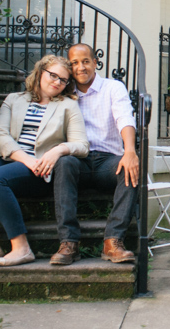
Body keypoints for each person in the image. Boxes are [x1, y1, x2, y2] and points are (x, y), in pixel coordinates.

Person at [0, 55, 89, 267]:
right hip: (13, 158)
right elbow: (0, 134)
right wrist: (25, 159)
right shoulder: (14, 99)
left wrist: (58, 150)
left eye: (63, 80)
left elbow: (82, 145)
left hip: (39, 168)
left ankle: (21, 248)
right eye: (53, 75)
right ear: (40, 73)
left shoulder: (67, 106)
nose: (57, 82)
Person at [50, 43, 140, 265]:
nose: (81, 67)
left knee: (129, 167)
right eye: (74, 63)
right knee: (64, 164)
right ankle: (68, 243)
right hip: (76, 160)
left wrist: (130, 151)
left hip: (106, 161)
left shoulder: (113, 87)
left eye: (85, 61)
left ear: (95, 63)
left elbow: (124, 118)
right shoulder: (64, 92)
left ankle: (113, 241)